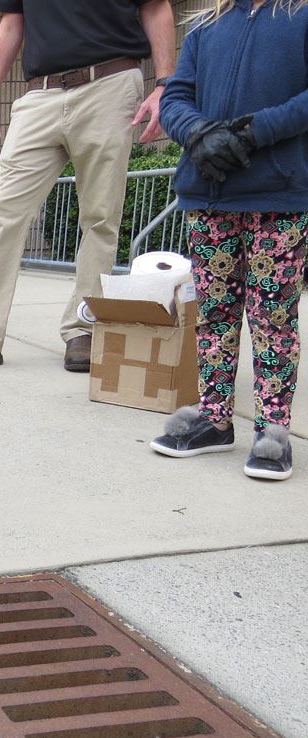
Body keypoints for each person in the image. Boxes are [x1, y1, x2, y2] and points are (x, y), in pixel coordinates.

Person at [0, 0, 176, 373]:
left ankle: (82, 328)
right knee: (4, 210)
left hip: (109, 83)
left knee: (100, 216)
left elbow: (156, 8)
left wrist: (164, 84)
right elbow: (13, 23)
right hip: (39, 94)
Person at [148, 0, 306, 480]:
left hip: (279, 195)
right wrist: (196, 132)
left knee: (272, 316)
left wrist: (252, 133)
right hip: (209, 194)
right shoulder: (207, 24)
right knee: (214, 314)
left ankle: (272, 431)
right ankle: (214, 420)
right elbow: (175, 96)